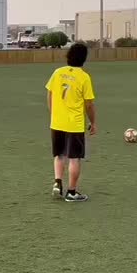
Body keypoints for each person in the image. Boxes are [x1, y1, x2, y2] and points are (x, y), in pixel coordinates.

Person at [45, 43, 97, 202]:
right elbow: (89, 104)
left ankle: (57, 183)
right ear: (84, 59)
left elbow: (50, 94)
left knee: (59, 155)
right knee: (74, 158)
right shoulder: (84, 77)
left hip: (56, 122)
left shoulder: (57, 73)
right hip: (74, 124)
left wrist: (54, 114)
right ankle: (71, 192)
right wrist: (93, 122)